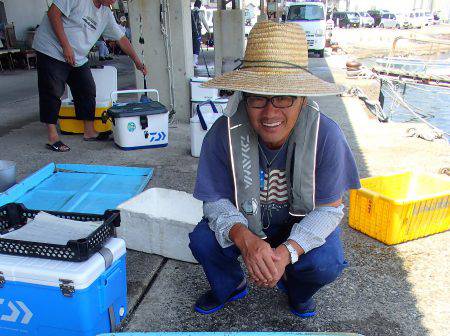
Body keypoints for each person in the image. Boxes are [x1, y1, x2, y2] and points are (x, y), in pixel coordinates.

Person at [189, 21, 360, 317]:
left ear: (302, 99)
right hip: (246, 221)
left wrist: (286, 253)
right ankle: (231, 285)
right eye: (258, 98)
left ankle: (296, 287)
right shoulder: (222, 133)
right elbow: (214, 201)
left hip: (296, 225)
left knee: (327, 261)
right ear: (243, 96)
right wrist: (246, 239)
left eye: (283, 98)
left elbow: (330, 209)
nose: (270, 113)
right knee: (203, 240)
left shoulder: (327, 136)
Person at [33, 0, 147, 152]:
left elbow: (121, 39)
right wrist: (65, 45)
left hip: (78, 56)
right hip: (51, 49)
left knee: (87, 89)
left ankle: (89, 131)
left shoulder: (106, 13)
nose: (114, 1)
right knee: (52, 91)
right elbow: (53, 13)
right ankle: (53, 136)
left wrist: (137, 61)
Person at [191, 0, 210, 67]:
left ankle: (192, 61)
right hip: (197, 33)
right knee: (197, 47)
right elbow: (205, 23)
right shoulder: (200, 13)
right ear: (199, 5)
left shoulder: (190, 13)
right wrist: (209, 31)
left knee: (191, 46)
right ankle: (194, 62)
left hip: (190, 33)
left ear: (194, 5)